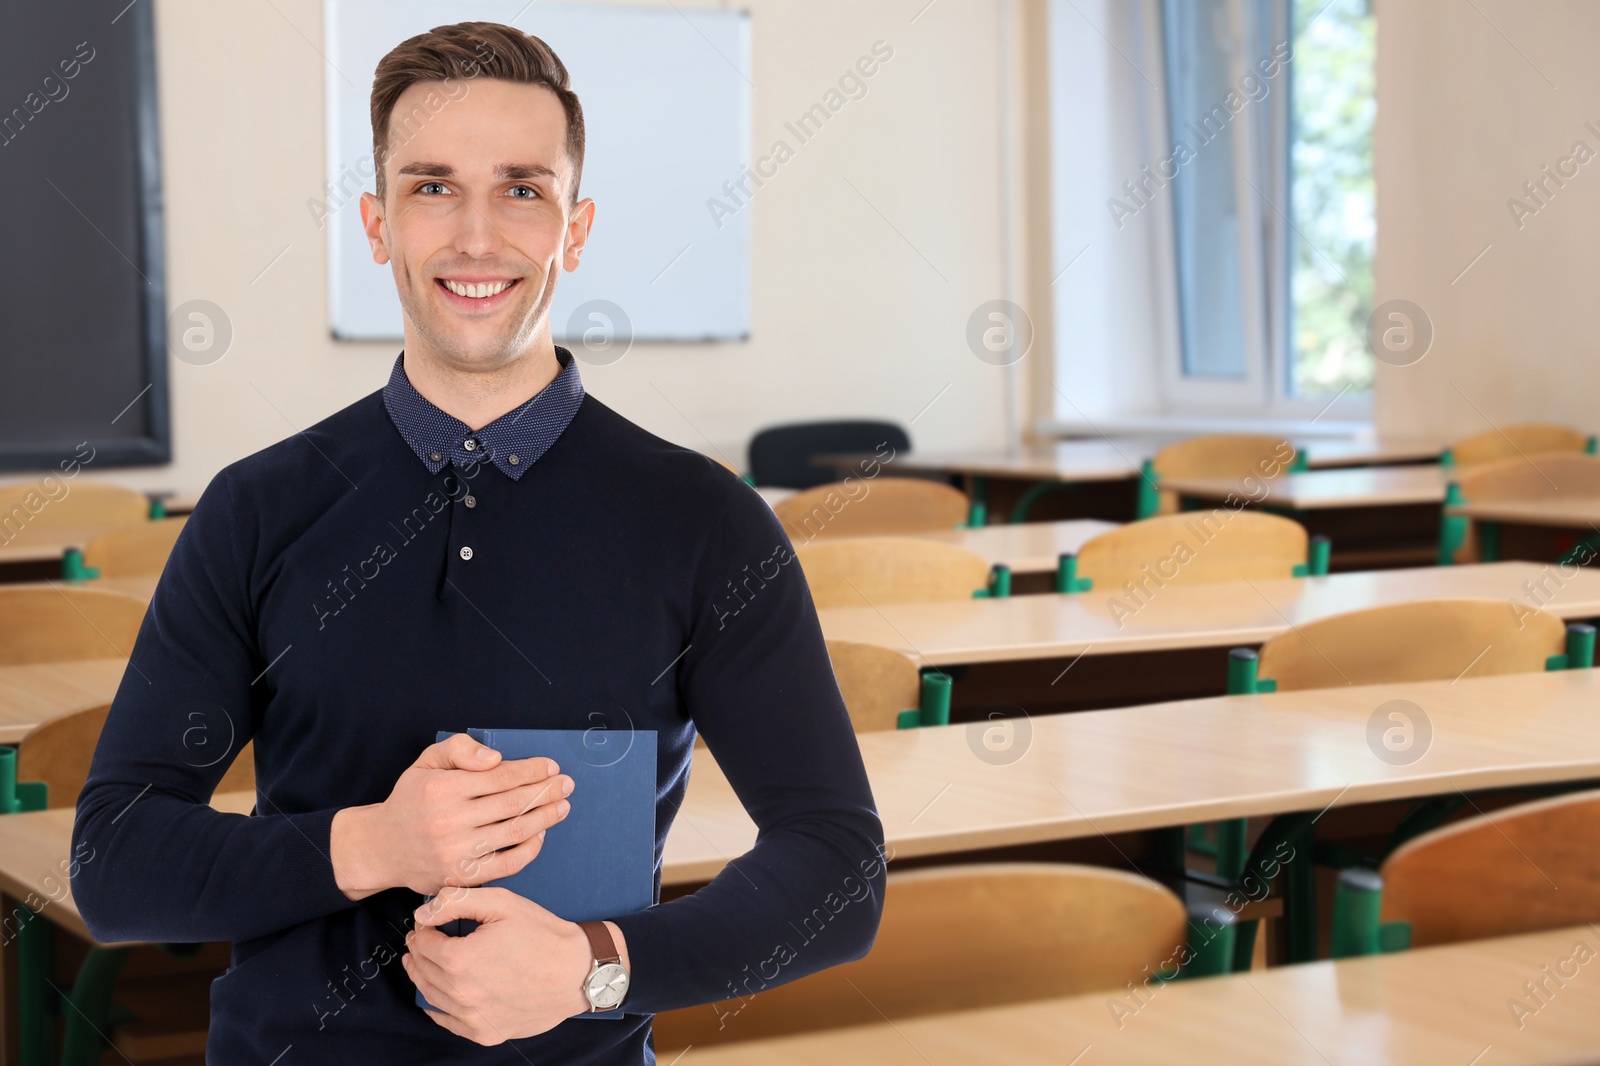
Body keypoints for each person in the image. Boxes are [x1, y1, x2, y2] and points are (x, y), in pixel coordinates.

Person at [72, 21, 885, 1064]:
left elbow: (838, 867)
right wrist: (379, 843)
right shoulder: (254, 509)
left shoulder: (704, 520)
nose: (475, 237)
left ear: (575, 230)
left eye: (522, 188)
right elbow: (113, 859)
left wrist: (597, 965)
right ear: (375, 224)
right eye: (430, 186)